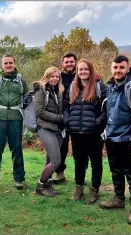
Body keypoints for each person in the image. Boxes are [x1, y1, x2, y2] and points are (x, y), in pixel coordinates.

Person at [99, 55, 131, 225]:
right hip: (112, 138)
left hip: (127, 139)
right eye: (115, 67)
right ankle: (119, 199)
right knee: (116, 171)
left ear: (127, 69)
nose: (118, 70)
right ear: (111, 69)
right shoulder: (111, 88)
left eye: (121, 67)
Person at [63, 59, 108, 204]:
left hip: (94, 133)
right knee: (79, 162)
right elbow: (65, 106)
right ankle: (79, 189)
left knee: (96, 162)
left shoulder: (100, 87)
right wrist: (68, 120)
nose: (83, 72)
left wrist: (98, 122)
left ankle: (94, 191)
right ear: (77, 71)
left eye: (86, 69)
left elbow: (107, 109)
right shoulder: (72, 87)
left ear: (91, 71)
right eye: (80, 69)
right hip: (76, 133)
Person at [0, 54, 28, 190]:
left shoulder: (21, 80)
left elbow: (27, 99)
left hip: (16, 118)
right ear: (1, 65)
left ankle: (19, 178)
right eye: (5, 63)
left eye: (10, 63)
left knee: (17, 149)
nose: (8, 65)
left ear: (14, 64)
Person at [33, 67, 64, 197]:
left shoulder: (59, 91)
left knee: (50, 159)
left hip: (58, 129)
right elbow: (39, 112)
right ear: (47, 76)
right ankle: (40, 186)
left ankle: (48, 186)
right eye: (52, 76)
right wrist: (61, 118)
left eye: (57, 77)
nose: (55, 79)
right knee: (56, 160)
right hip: (45, 128)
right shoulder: (41, 90)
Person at [53, 53, 77, 184]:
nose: (69, 64)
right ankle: (59, 172)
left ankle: (81, 172)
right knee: (61, 145)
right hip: (62, 116)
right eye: (66, 62)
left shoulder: (81, 75)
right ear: (62, 63)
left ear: (75, 62)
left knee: (81, 146)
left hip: (79, 115)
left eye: (71, 62)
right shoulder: (59, 77)